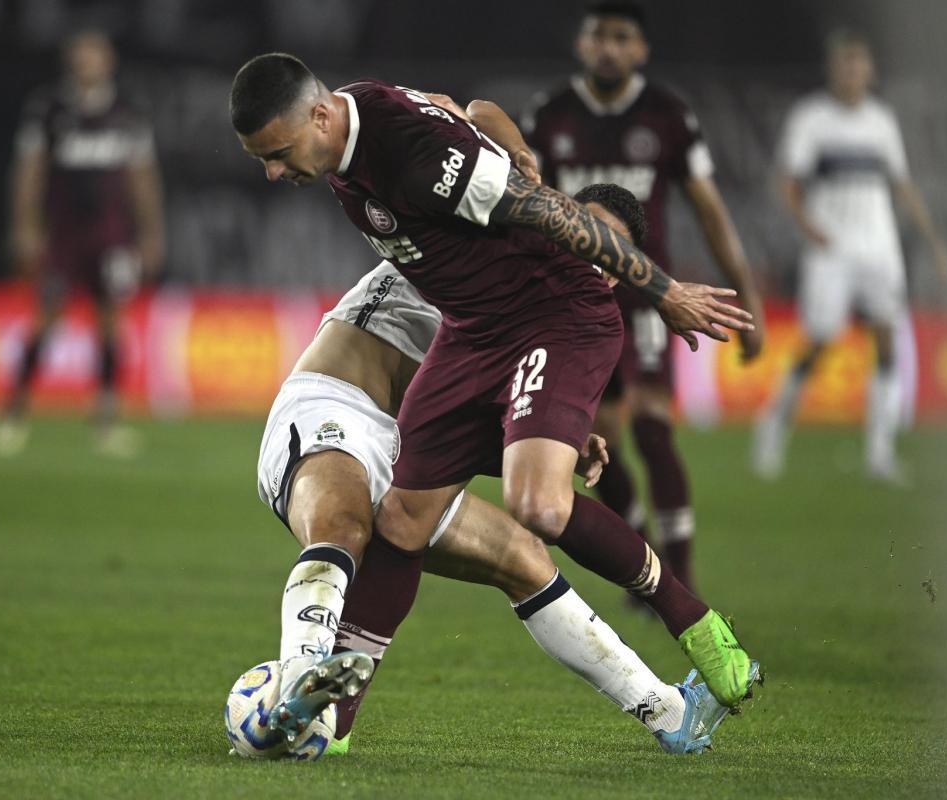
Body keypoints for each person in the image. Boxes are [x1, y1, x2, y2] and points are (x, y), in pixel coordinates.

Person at [229, 53, 761, 741]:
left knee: (537, 505)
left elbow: (546, 211)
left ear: (320, 116)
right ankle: (330, 724)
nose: (274, 173)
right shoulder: (361, 114)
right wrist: (516, 150)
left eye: (277, 153)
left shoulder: (414, 155)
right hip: (472, 332)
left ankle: (693, 620)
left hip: (550, 312)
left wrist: (665, 292)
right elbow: (468, 107)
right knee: (402, 519)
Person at [523, 1, 765, 590]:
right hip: (577, 301)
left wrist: (749, 300)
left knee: (655, 429)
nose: (608, 47)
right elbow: (524, 205)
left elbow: (709, 209)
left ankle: (678, 577)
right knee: (595, 445)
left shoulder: (668, 117)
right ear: (582, 45)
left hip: (650, 295)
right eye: (598, 35)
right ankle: (643, 553)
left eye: (621, 37)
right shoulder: (549, 117)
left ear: (640, 50)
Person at [753, 29, 947, 484]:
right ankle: (774, 424)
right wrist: (809, 227)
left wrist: (934, 241)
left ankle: (880, 452)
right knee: (819, 340)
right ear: (833, 70)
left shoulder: (881, 121)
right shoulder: (812, 119)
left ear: (870, 71)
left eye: (859, 64)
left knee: (885, 339)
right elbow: (787, 183)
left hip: (879, 247)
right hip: (832, 249)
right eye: (845, 64)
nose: (852, 72)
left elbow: (901, 184)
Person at [0, 30, 165, 457]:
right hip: (63, 238)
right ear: (71, 61)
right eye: (81, 55)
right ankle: (14, 413)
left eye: (95, 55)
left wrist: (151, 233)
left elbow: (143, 179)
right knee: (47, 318)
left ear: (109, 62)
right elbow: (29, 172)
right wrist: (26, 227)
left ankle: (106, 419)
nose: (88, 62)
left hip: (110, 238)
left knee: (110, 322)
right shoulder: (49, 110)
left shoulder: (127, 113)